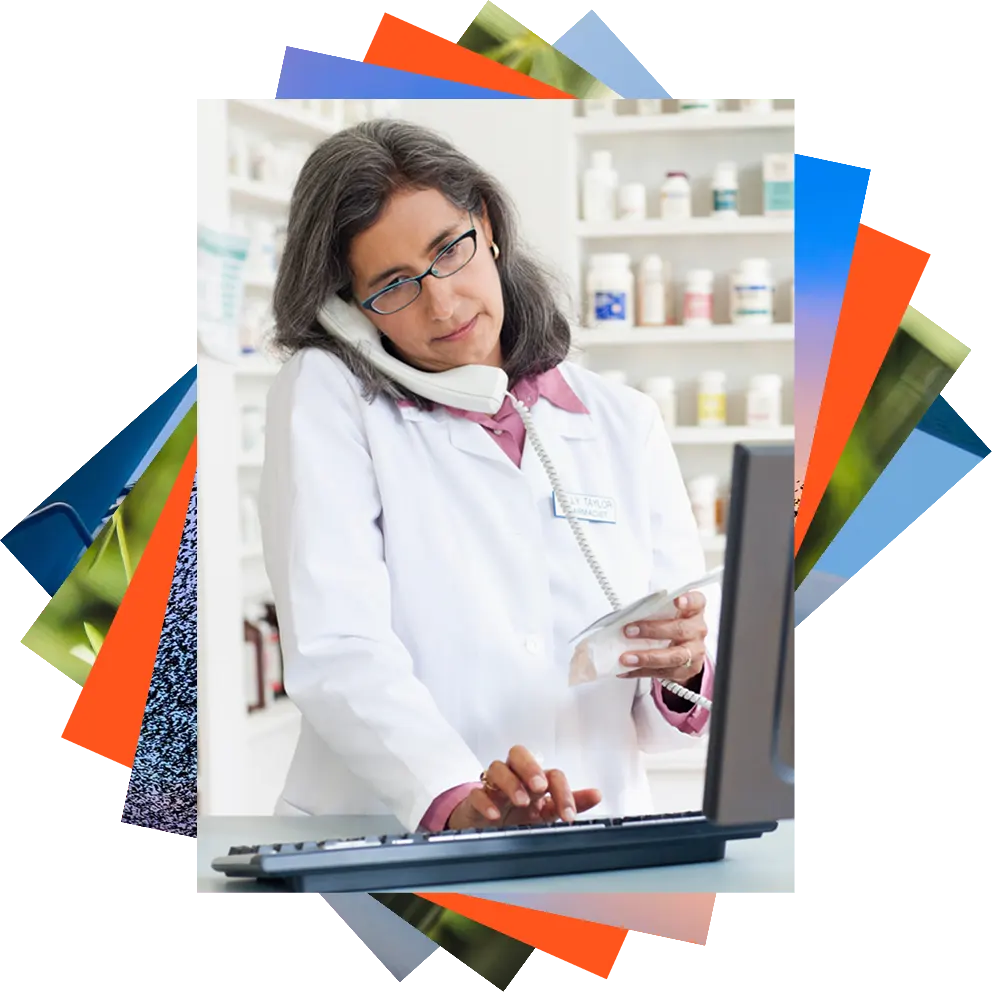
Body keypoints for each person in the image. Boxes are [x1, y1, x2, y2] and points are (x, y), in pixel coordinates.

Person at [258, 118, 720, 836]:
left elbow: (662, 706)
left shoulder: (623, 422)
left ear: (488, 226)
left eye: (450, 251)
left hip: (594, 832)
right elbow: (336, 644)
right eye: (392, 286)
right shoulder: (328, 395)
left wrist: (684, 670)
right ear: (346, 309)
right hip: (394, 844)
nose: (441, 303)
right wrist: (451, 797)